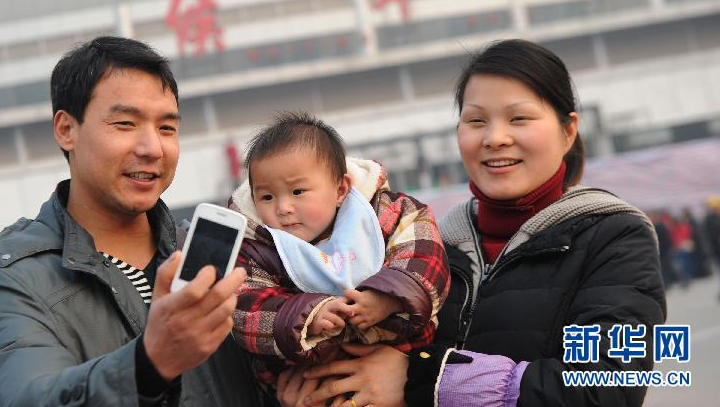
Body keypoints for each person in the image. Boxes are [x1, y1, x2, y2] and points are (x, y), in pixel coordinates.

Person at [277, 39, 666, 407]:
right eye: (476, 121)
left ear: (568, 131)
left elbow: (608, 388)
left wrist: (422, 378)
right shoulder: (423, 248)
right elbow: (374, 365)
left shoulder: (613, 235)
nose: (495, 138)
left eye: (519, 118)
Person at [0, 37, 268, 407]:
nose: (152, 147)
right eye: (125, 123)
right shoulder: (14, 285)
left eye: (167, 128)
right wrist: (149, 365)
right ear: (66, 129)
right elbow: (26, 397)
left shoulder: (219, 257)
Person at [229, 112, 449, 387]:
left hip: (404, 365)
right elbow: (244, 310)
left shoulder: (386, 213)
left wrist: (388, 298)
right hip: (312, 381)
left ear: (340, 189)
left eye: (297, 192)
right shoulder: (256, 249)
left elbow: (425, 255)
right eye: (267, 197)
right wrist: (308, 317)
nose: (283, 208)